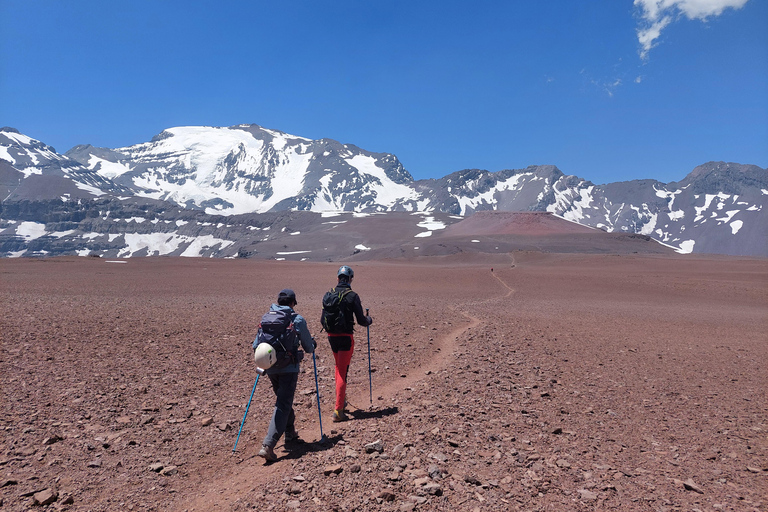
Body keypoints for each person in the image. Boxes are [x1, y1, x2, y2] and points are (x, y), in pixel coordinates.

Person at [257, 289, 316, 462]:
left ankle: (289, 432)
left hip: (270, 367)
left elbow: (256, 343)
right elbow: (308, 347)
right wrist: (312, 344)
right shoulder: (296, 319)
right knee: (283, 403)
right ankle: (268, 445)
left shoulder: (265, 318)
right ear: (292, 303)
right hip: (289, 368)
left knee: (283, 400)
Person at [323, 265, 372, 422]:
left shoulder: (329, 293)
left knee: (339, 368)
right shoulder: (352, 296)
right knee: (342, 371)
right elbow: (361, 321)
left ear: (338, 278)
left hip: (331, 336)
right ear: (350, 279)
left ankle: (341, 400)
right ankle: (338, 411)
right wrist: (369, 320)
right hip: (345, 338)